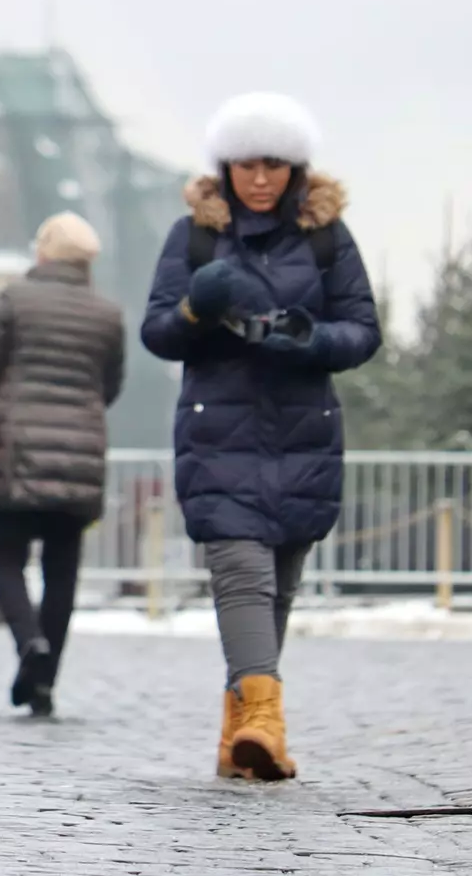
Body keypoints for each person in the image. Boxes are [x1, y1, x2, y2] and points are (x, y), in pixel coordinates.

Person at [139, 92, 380, 783]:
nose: (261, 178)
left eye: (274, 163)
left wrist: (308, 338)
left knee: (275, 587)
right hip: (219, 432)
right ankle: (265, 724)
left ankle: (236, 736)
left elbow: (363, 329)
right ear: (227, 166)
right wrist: (195, 308)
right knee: (240, 575)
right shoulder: (195, 236)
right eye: (247, 164)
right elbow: (158, 331)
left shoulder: (329, 236)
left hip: (304, 434)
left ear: (296, 168)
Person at [0, 212, 126, 718]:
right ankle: (44, 683)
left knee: (7, 558)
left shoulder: (16, 300)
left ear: (43, 252)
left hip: (18, 450)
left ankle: (28, 644)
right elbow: (111, 386)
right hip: (80, 453)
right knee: (62, 572)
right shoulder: (107, 314)